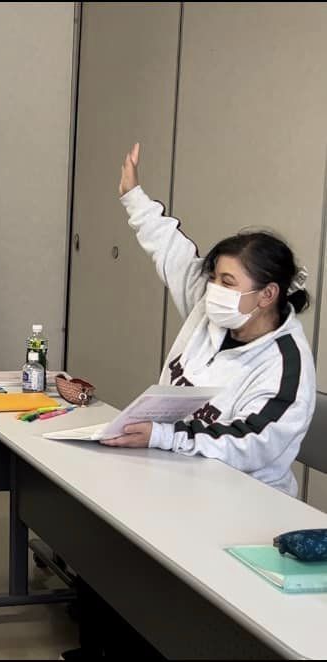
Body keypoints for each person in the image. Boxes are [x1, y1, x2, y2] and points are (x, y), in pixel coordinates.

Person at [104, 143, 315, 497]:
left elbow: (250, 443)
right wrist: (133, 197)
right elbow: (171, 251)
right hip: (177, 474)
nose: (214, 289)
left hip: (247, 500)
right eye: (214, 277)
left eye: (227, 282)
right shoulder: (211, 307)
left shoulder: (287, 365)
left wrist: (164, 436)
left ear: (267, 294)